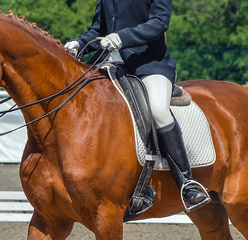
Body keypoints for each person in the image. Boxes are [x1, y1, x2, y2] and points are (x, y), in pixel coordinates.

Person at [64, 0, 211, 211]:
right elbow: (98, 30)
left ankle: (187, 184)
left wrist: (121, 38)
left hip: (148, 63)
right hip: (108, 62)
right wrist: (79, 42)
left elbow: (159, 23)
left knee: (158, 109)